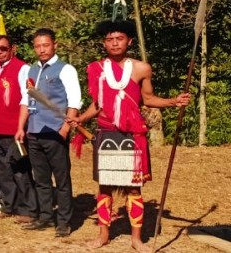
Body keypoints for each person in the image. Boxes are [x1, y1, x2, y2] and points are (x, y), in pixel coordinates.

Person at [71, 20, 190, 252]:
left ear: (129, 41)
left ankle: (136, 239)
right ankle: (103, 235)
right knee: (104, 187)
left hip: (132, 135)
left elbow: (148, 99)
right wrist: (81, 119)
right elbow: (98, 104)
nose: (115, 43)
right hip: (106, 133)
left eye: (119, 38)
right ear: (104, 43)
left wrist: (173, 102)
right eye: (110, 39)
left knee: (134, 189)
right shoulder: (96, 68)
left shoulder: (141, 68)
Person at [16, 28, 81, 238]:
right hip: (34, 131)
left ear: (55, 45)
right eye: (38, 46)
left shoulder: (65, 69)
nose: (42, 50)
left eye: (46, 45)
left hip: (55, 132)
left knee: (61, 179)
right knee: (41, 179)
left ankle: (64, 221)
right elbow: (26, 100)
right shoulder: (31, 70)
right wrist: (20, 127)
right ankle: (45, 216)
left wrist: (64, 129)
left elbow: (74, 100)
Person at [0, 35, 37, 224]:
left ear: (12, 48)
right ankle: (9, 204)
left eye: (3, 48)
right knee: (3, 171)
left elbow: (27, 97)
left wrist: (21, 127)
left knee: (20, 169)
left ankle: (29, 208)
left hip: (14, 130)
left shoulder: (22, 68)